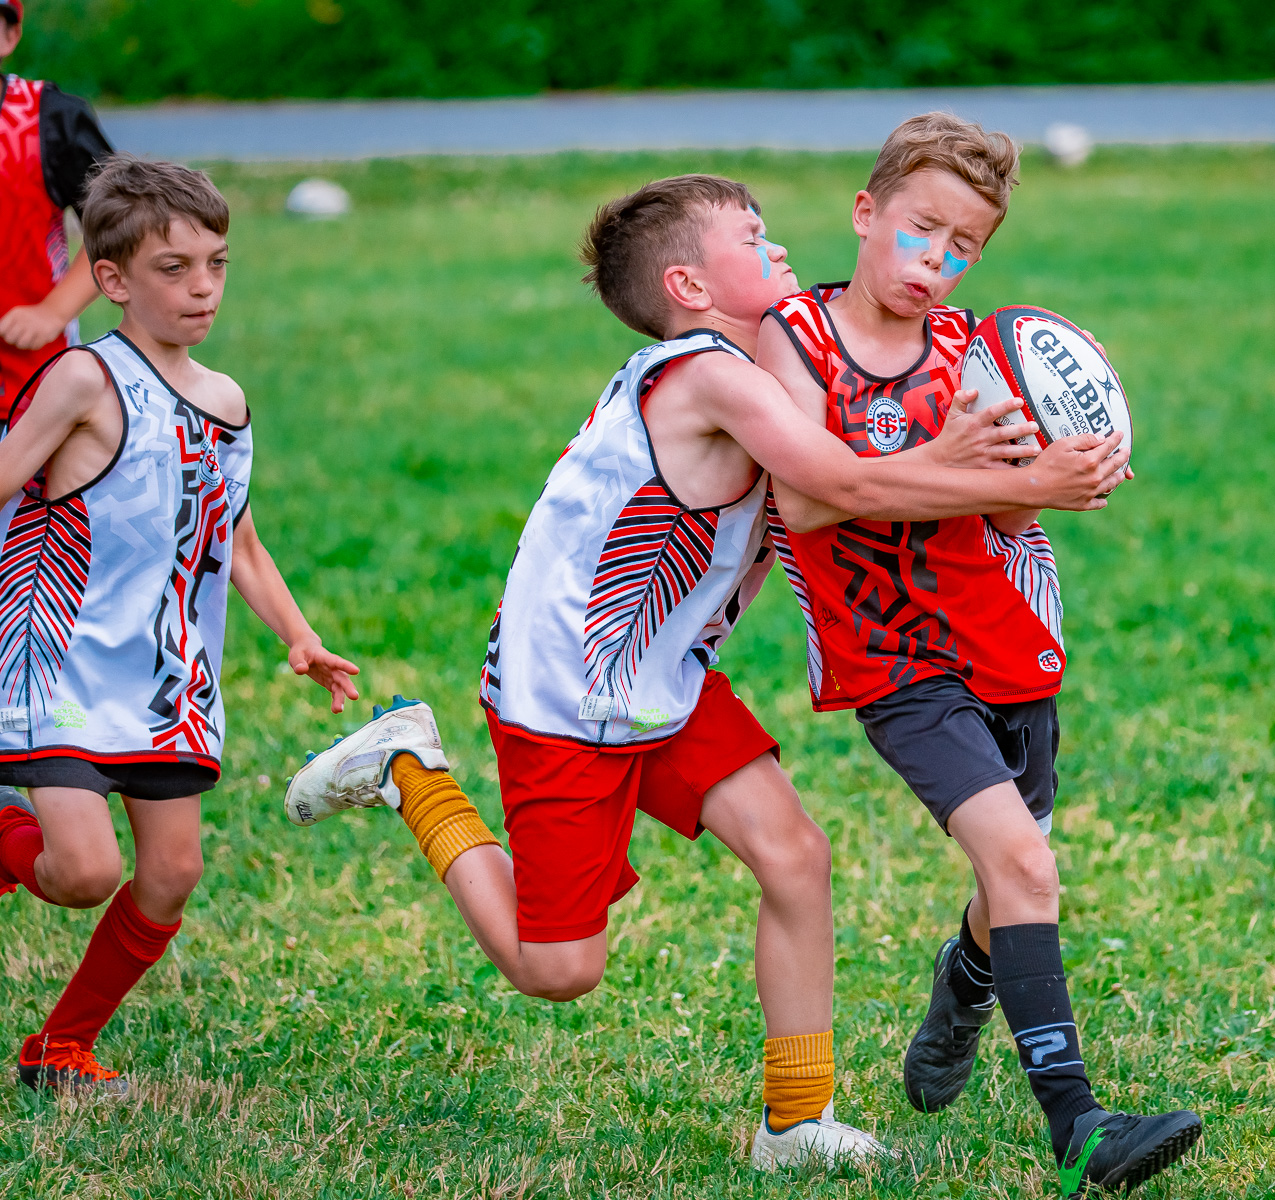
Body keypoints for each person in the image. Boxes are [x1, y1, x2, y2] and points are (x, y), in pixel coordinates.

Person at [282, 173, 1125, 1167]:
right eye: (751, 236)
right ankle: (406, 771)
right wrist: (1017, 478)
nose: (777, 246)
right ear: (688, 285)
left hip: (666, 681)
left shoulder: (763, 361)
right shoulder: (709, 376)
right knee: (556, 968)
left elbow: (858, 447)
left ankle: (794, 1122)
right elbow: (838, 486)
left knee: (796, 858)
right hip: (567, 696)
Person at [757, 112, 1202, 1196]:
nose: (935, 264)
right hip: (900, 667)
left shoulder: (973, 348)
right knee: (1028, 864)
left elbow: (1017, 483)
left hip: (1009, 643)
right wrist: (980, 467)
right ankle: (1080, 1126)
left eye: (963, 248)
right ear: (865, 215)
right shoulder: (797, 337)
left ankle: (964, 985)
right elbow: (810, 495)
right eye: (920, 232)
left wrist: (1073, 463)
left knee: (1013, 879)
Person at [0, 156, 361, 1096]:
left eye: (217, 263)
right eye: (174, 269)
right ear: (112, 280)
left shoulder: (227, 401)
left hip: (168, 682)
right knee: (81, 871)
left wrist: (298, 633)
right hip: (63, 669)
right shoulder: (83, 379)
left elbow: (233, 533)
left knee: (170, 874)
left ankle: (58, 1050)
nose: (202, 286)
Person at [0, 0, 113, 407]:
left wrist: (52, 311)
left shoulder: (50, 120)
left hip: (31, 387)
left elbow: (120, 227)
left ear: (9, 35)